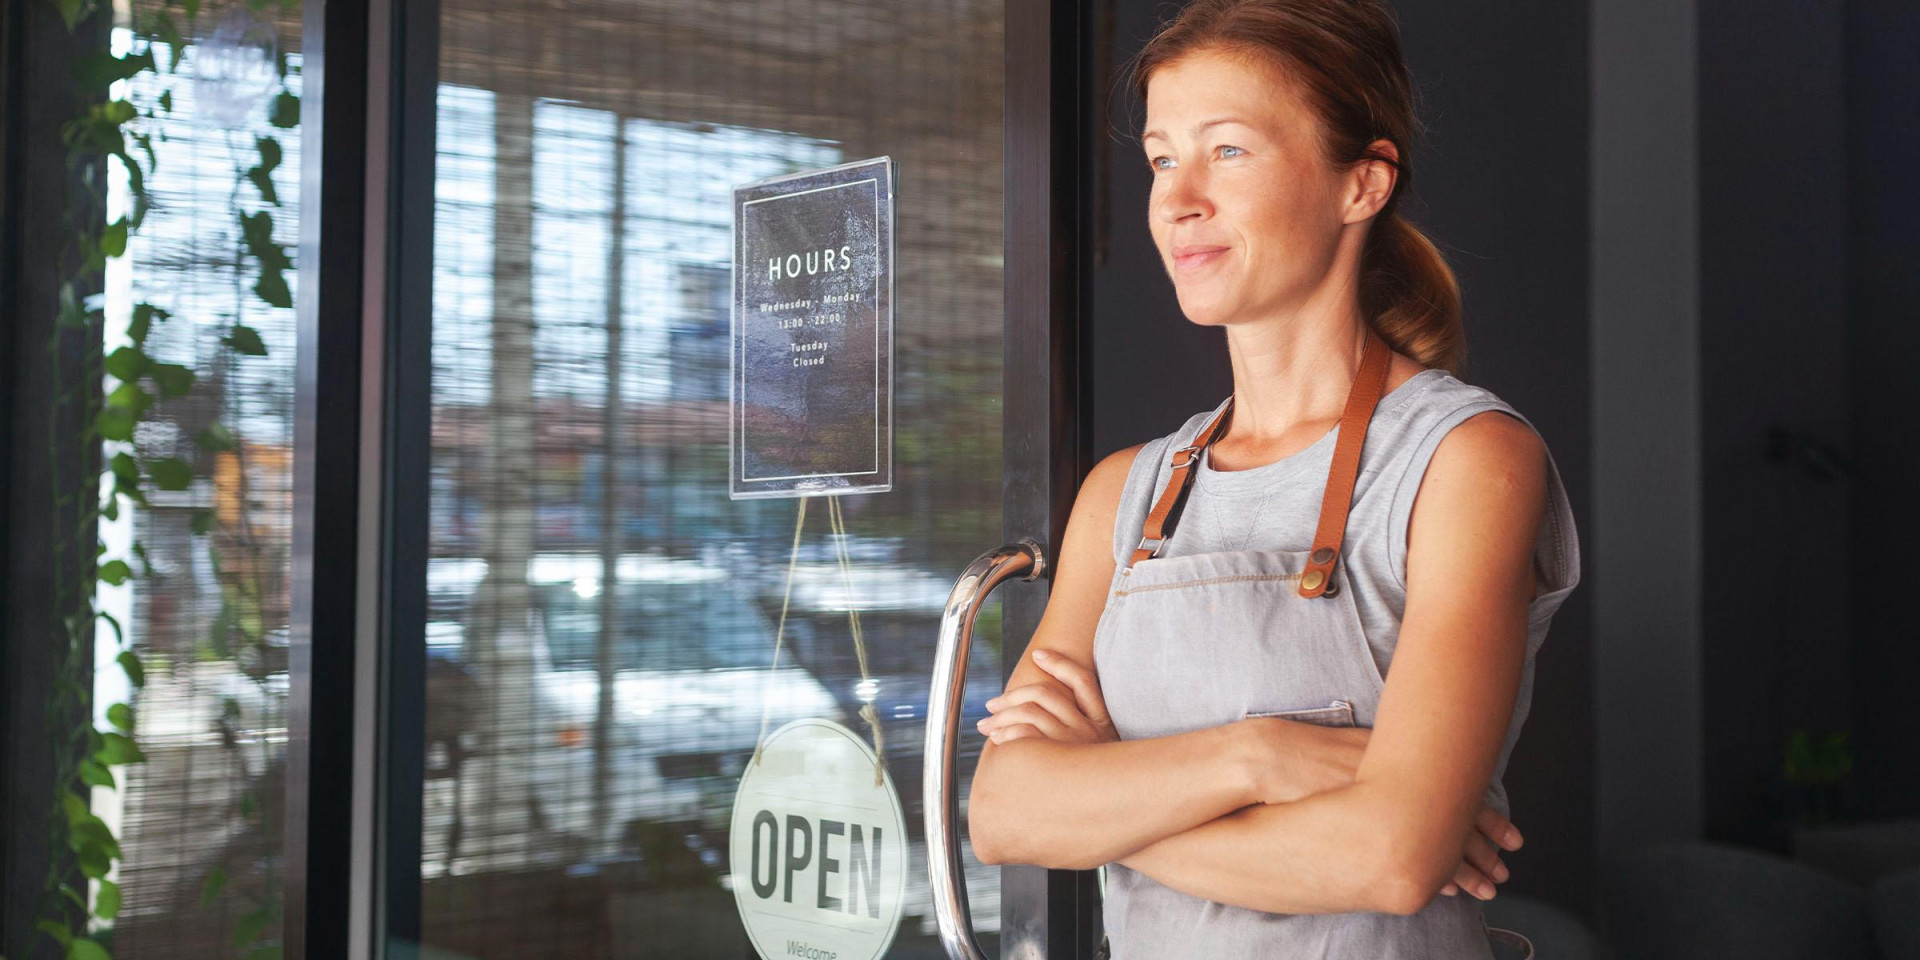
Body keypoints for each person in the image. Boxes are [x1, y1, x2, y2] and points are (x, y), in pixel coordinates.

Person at [964, 0, 1583, 957]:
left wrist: (1107, 804)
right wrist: (1262, 756)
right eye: (1163, 158)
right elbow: (1004, 814)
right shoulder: (1123, 495)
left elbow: (1389, 859)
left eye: (1229, 151)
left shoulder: (1465, 460)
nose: (1177, 199)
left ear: (1361, 185)